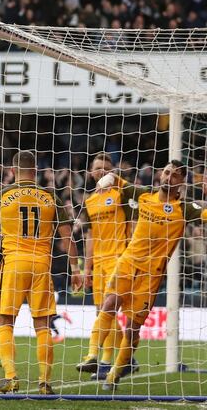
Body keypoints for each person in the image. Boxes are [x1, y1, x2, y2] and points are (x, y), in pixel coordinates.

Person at [92, 161, 207, 390]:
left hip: (151, 276)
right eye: (166, 172)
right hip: (128, 262)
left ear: (181, 182)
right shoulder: (144, 195)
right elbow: (119, 182)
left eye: (175, 175)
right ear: (160, 174)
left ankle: (115, 373)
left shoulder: (185, 209)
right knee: (109, 303)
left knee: (132, 328)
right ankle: (92, 356)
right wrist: (108, 178)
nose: (168, 177)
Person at [0, 151, 83, 394]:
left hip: (14, 264)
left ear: (13, 171)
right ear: (35, 171)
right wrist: (75, 269)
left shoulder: (1, 196)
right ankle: (44, 382)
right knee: (42, 325)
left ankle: (11, 377)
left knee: (5, 321)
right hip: (41, 266)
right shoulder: (50, 197)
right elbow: (67, 237)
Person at [75, 153, 137, 377]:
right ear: (91, 172)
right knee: (101, 312)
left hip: (119, 258)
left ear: (112, 172)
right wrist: (87, 268)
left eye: (105, 168)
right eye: (97, 167)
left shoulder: (121, 194)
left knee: (107, 310)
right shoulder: (90, 201)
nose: (101, 171)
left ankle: (105, 362)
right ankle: (127, 358)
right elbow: (90, 237)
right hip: (99, 263)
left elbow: (133, 224)